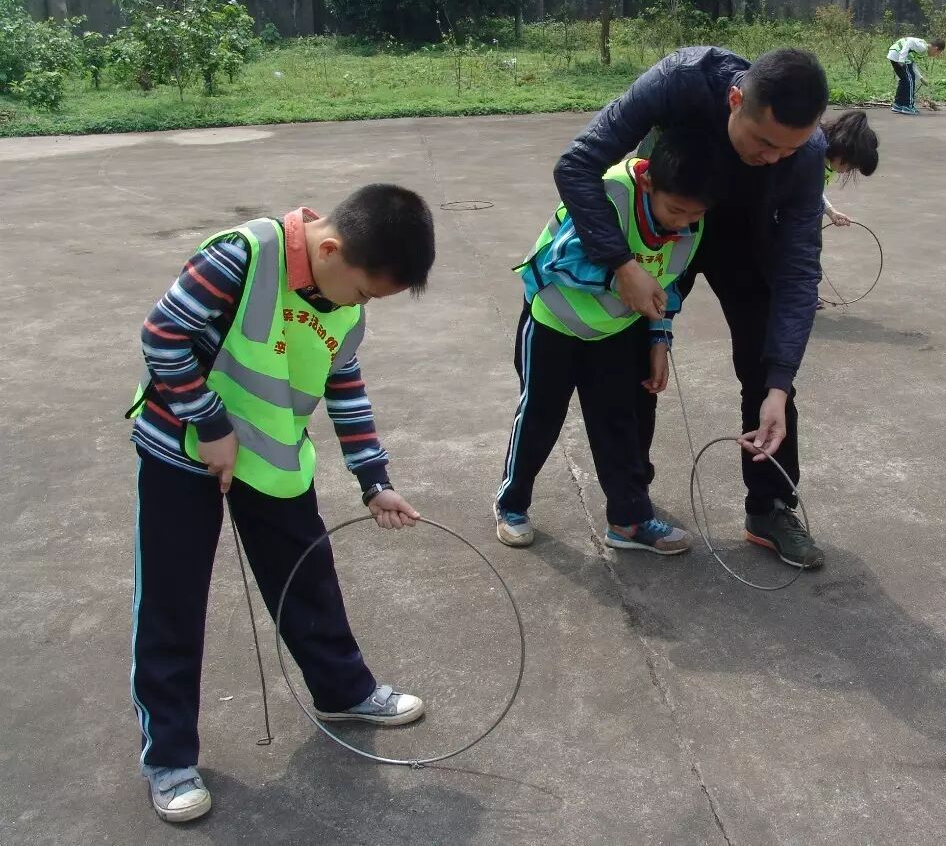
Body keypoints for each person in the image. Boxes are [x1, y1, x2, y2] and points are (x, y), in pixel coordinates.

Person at [127, 184, 435, 822]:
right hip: (183, 449)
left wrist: (373, 478)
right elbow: (162, 337)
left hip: (271, 455)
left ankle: (342, 691)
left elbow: (343, 381)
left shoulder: (344, 298)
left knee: (307, 577)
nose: (359, 306)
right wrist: (210, 423)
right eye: (362, 292)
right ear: (330, 249)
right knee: (171, 602)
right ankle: (170, 758)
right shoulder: (241, 256)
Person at [554, 46, 829, 570]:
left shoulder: (808, 152)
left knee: (766, 370)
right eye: (764, 142)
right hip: (661, 226)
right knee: (637, 366)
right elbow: (577, 164)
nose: (775, 158)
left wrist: (780, 382)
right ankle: (632, 502)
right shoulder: (681, 81)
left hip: (748, 241)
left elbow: (799, 269)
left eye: (788, 149)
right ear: (735, 100)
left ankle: (769, 507)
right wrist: (621, 264)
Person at [494, 126, 720, 554]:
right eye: (675, 210)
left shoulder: (692, 220)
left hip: (616, 331)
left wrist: (659, 338)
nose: (682, 223)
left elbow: (669, 281)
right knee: (540, 415)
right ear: (649, 181)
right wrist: (623, 282)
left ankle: (628, 520)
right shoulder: (610, 193)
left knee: (619, 421)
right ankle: (512, 503)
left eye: (693, 215)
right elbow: (560, 260)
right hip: (553, 324)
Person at [821, 109, 880, 227]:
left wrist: (831, 211)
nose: (845, 171)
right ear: (844, 151)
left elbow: (814, 192)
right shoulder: (811, 154)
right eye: (851, 166)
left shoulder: (831, 162)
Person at [886, 35, 944, 115]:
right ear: (936, 49)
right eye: (938, 53)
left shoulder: (921, 50)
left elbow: (912, 65)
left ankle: (898, 104)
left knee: (904, 80)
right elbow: (909, 42)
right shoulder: (922, 47)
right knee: (910, 81)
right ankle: (908, 106)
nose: (935, 55)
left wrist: (921, 78)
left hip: (894, 55)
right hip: (898, 55)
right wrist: (902, 60)